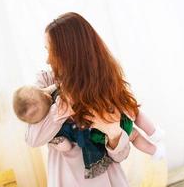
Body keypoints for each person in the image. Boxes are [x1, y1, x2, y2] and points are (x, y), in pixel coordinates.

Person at [25, 12, 164, 186]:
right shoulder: (45, 82)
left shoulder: (104, 84)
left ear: (69, 52)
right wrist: (64, 104)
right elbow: (32, 139)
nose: (47, 60)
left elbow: (121, 155)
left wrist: (113, 133)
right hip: (65, 180)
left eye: (51, 51)